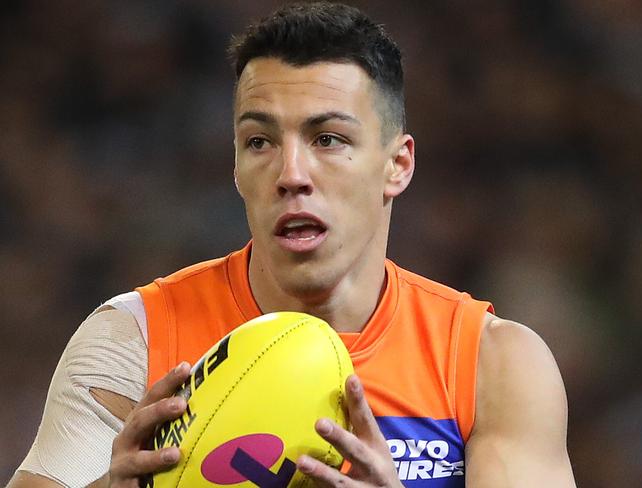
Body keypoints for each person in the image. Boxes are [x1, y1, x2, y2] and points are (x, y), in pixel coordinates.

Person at [8, 3, 576, 487]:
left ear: (397, 164)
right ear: (235, 165)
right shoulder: (132, 341)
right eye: (259, 141)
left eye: (328, 139)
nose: (291, 173)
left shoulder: (488, 365)